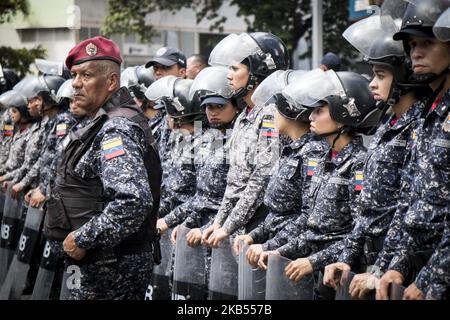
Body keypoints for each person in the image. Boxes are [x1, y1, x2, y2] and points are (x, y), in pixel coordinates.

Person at [43, 36, 162, 300]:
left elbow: (133, 200)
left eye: (86, 75)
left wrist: (83, 239)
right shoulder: (101, 121)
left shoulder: (116, 128)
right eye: (74, 75)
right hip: (98, 267)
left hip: (111, 269)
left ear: (111, 82)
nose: (76, 83)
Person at [322, 9, 427, 299]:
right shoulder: (388, 123)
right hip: (373, 260)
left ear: (403, 76)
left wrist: (383, 268)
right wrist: (348, 256)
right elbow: (368, 210)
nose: (371, 83)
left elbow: (405, 208)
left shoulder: (418, 127)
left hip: (403, 267)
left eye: (380, 75)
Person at [257, 70, 378, 300]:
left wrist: (314, 261)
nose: (310, 117)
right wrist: (278, 251)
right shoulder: (323, 160)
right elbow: (310, 223)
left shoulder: (359, 164)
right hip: (315, 272)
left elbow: (358, 232)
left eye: (319, 111)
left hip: (342, 279)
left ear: (343, 114)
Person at [374, 0, 450, 300]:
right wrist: (398, 266)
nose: (415, 52)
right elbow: (410, 200)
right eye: (412, 44)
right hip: (419, 270)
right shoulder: (429, 114)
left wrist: (432, 278)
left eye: (427, 43)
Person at [202, 32, 290, 247]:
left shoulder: (270, 114)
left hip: (258, 223)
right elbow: (235, 182)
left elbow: (261, 178)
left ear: (257, 71)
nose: (229, 76)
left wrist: (228, 225)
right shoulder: (245, 115)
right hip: (239, 223)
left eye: (235, 69)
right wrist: (220, 222)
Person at [233, 69, 328, 266]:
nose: (271, 113)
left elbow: (306, 216)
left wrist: (271, 246)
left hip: (295, 258)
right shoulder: (290, 149)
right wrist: (254, 235)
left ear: (289, 109)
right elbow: (277, 213)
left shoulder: (312, 153)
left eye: (275, 107)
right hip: (277, 253)